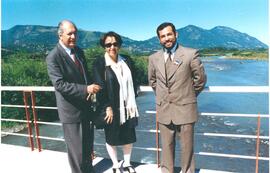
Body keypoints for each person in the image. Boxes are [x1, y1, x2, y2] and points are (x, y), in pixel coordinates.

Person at [148, 22, 207, 173]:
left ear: (176, 34)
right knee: (166, 148)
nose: (166, 38)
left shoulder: (190, 54)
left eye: (169, 34)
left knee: (187, 149)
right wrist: (164, 97)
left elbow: (200, 80)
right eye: (163, 36)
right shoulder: (153, 58)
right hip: (164, 110)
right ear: (159, 39)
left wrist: (187, 95)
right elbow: (153, 81)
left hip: (185, 109)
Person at [46, 20, 100, 173]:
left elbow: (85, 76)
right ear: (60, 34)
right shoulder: (53, 57)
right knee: (77, 152)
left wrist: (93, 87)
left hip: (86, 108)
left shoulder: (79, 51)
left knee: (88, 147)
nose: (74, 36)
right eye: (70, 33)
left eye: (75, 33)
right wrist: (86, 89)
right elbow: (59, 85)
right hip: (71, 112)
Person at [93, 31, 139, 173]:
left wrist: (133, 97)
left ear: (119, 45)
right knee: (111, 137)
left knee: (128, 136)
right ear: (104, 46)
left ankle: (126, 163)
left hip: (127, 106)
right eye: (108, 44)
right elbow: (99, 86)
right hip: (111, 107)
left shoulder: (127, 60)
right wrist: (107, 107)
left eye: (115, 44)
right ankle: (115, 164)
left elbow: (135, 79)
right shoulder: (99, 63)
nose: (112, 47)